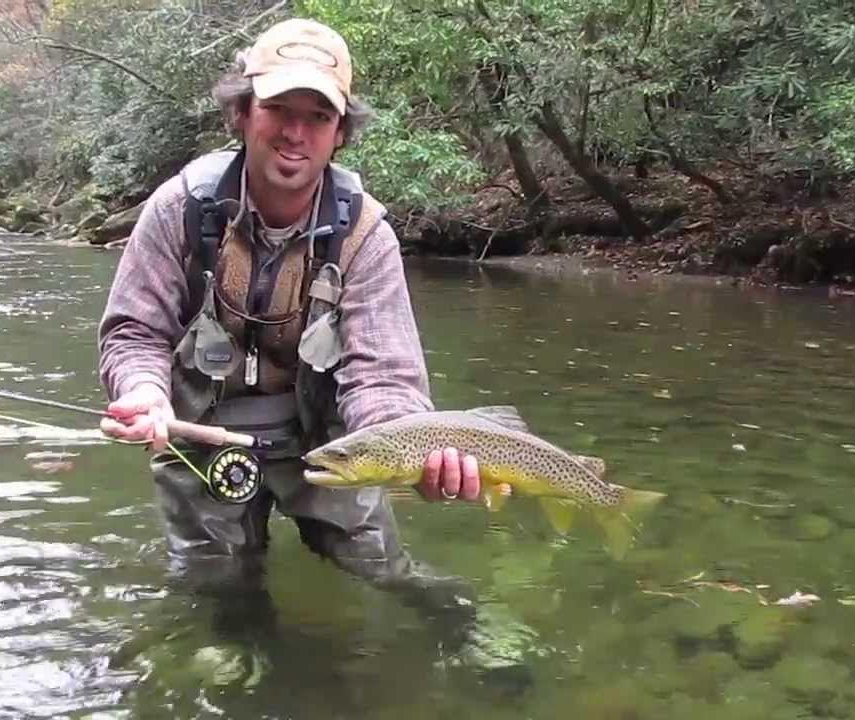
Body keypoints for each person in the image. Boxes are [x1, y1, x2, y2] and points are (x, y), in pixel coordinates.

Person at [95, 17, 530, 678]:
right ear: (242, 113)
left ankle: (465, 618)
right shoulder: (179, 209)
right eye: (277, 109)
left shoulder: (366, 234)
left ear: (340, 133)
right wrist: (143, 393)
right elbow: (134, 332)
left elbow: (384, 377)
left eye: (317, 115)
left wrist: (409, 455)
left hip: (327, 440)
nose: (295, 132)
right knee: (216, 585)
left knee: (382, 566)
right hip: (198, 431)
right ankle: (239, 650)